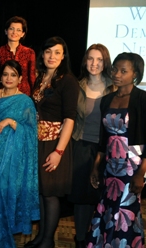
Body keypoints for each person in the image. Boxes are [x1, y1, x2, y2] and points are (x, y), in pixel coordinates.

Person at [25, 37, 79, 248]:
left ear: (63, 56)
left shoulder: (68, 81)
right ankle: (41, 237)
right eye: (48, 52)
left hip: (56, 143)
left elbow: (70, 119)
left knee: (51, 194)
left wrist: (58, 151)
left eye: (57, 52)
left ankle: (48, 241)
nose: (52, 56)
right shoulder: (41, 78)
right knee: (41, 192)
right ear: (42, 54)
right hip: (38, 142)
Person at [87, 52, 146, 247]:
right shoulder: (106, 99)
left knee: (125, 209)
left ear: (135, 74)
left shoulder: (142, 99)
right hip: (110, 164)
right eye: (115, 69)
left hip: (132, 166)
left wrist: (141, 174)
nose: (117, 74)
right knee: (108, 207)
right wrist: (96, 166)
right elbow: (103, 139)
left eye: (123, 71)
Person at [0, 60, 39, 247]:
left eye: (13, 75)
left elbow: (31, 134)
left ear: (20, 78)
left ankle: (1, 239)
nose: (8, 78)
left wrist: (11, 122)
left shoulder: (25, 101)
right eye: (5, 74)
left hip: (10, 158)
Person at [67, 44, 116, 247]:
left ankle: (98, 238)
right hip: (80, 146)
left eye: (99, 60)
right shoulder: (77, 86)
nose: (94, 64)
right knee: (81, 196)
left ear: (105, 63)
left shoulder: (114, 87)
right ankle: (80, 239)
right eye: (90, 59)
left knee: (102, 196)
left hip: (106, 149)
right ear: (85, 61)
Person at [0, 16, 36, 96]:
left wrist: (33, 95)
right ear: (6, 31)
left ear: (22, 34)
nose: (14, 32)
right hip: (4, 94)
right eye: (11, 29)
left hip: (23, 94)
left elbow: (32, 77)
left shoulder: (29, 52)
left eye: (18, 30)